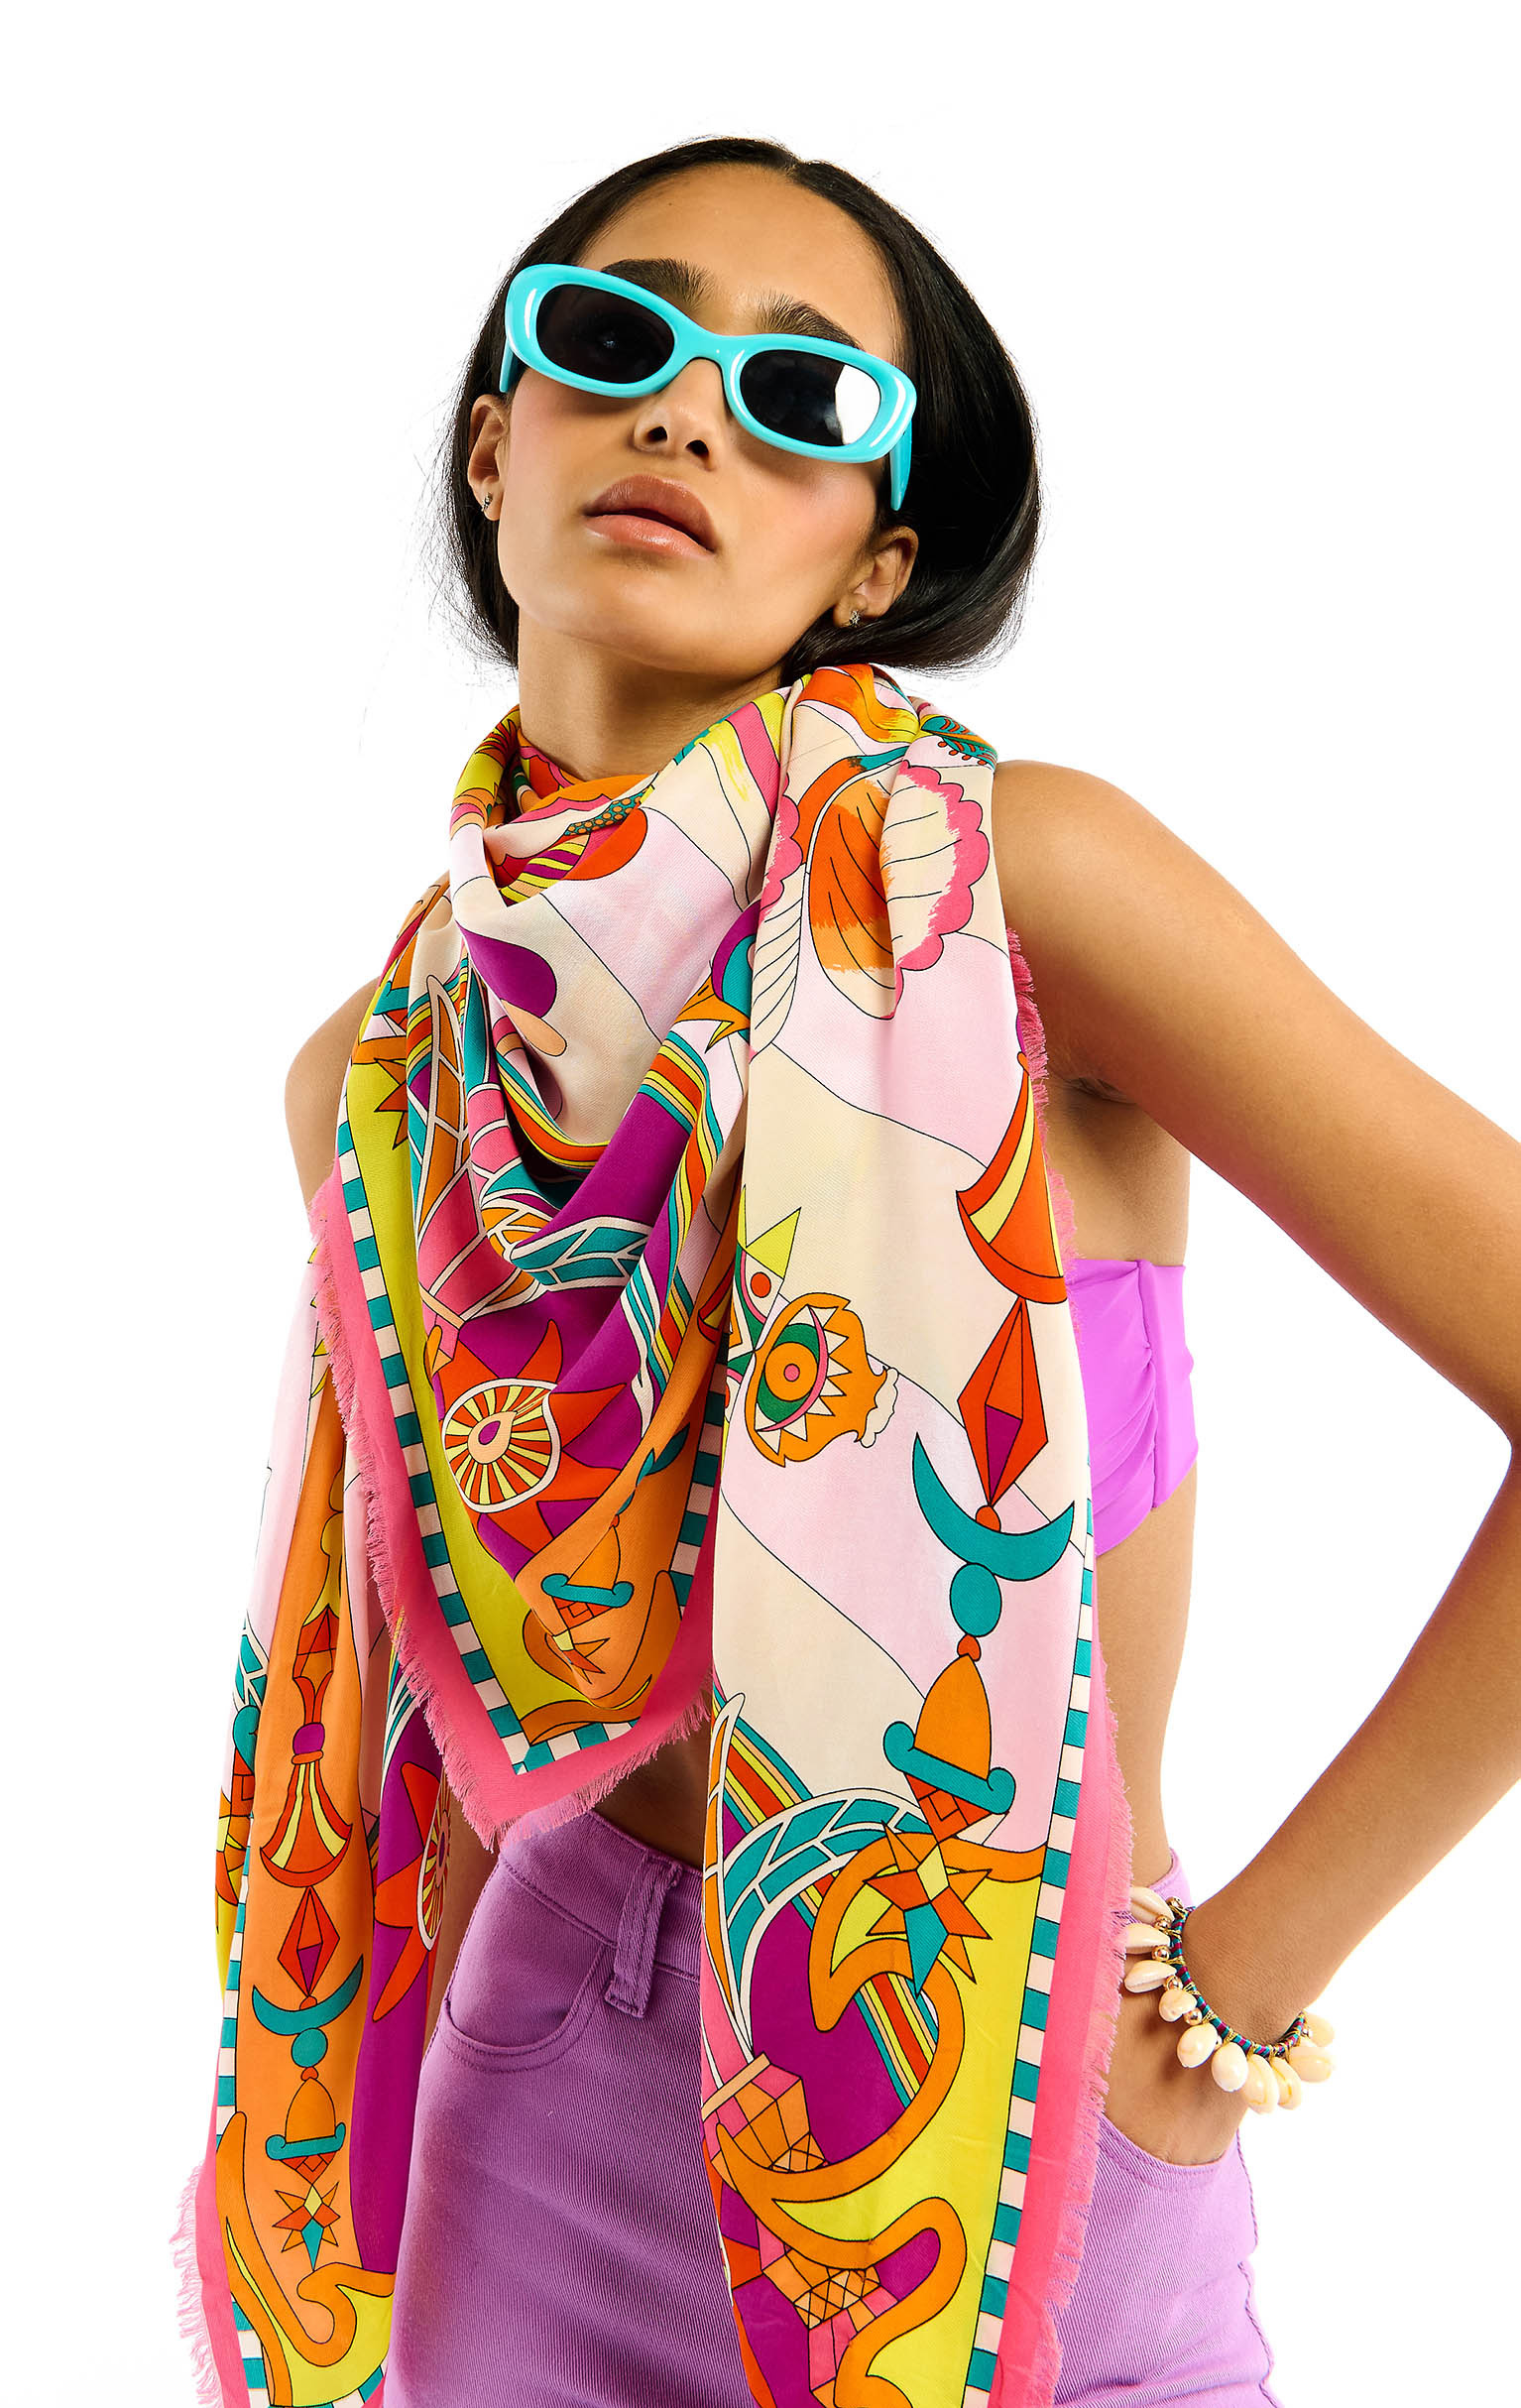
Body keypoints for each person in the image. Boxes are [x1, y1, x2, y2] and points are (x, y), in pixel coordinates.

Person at [270, 136, 1521, 2408]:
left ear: (879, 556)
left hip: (1022, 2101)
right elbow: (465, 1662)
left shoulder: (1017, 888)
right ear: (494, 441)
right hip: (544, 2104)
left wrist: (1227, 1995)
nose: (683, 412)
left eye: (798, 396)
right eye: (612, 338)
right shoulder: (385, 1071)